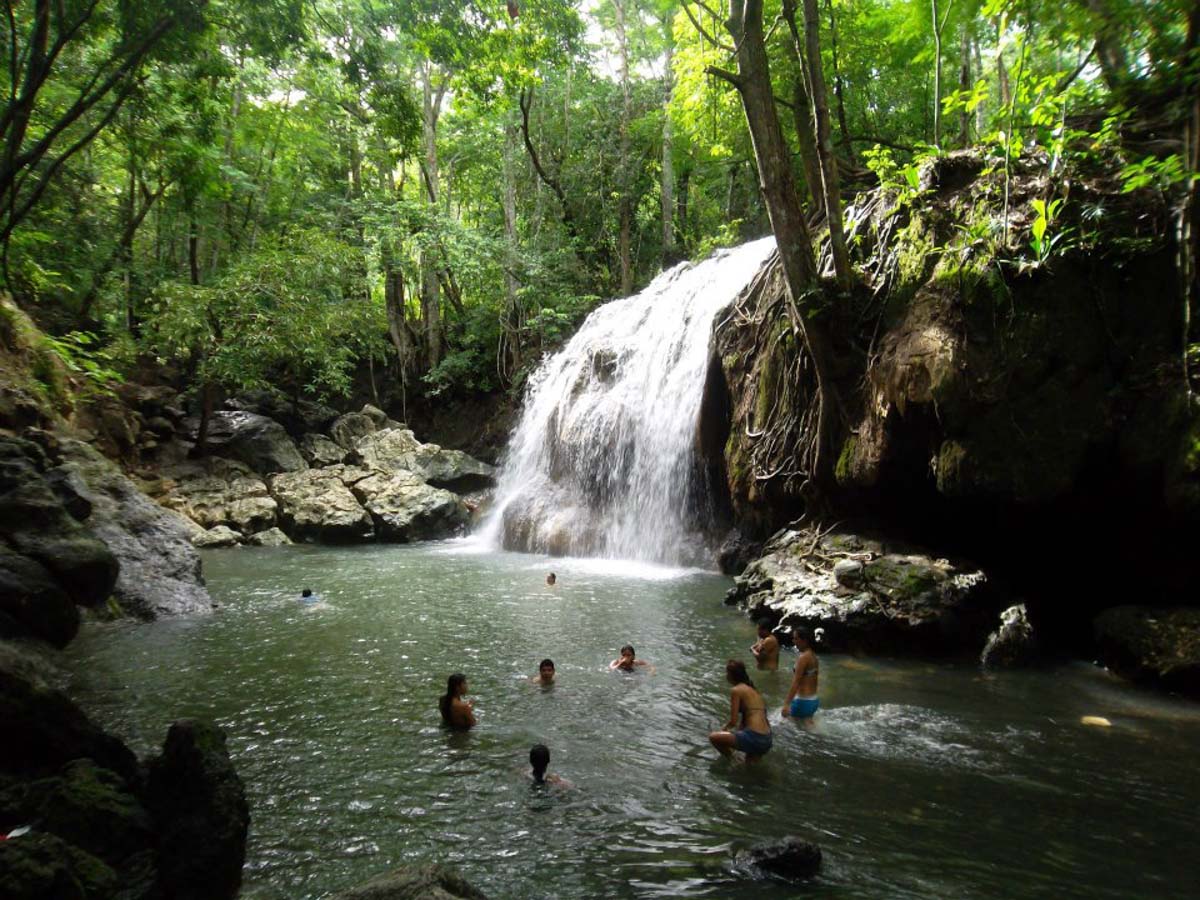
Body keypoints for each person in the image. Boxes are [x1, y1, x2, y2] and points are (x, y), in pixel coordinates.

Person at [709, 659, 773, 762]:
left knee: (713, 737)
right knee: (749, 768)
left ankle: (734, 760)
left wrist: (723, 729)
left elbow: (733, 721)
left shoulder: (736, 690)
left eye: (727, 672)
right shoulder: (754, 691)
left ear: (731, 675)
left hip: (755, 737)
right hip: (767, 739)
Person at [782, 626, 820, 721]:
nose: (793, 641)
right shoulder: (813, 656)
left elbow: (796, 682)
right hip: (813, 701)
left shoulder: (803, 658)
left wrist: (786, 704)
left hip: (803, 701)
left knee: (783, 724)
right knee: (807, 728)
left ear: (805, 640)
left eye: (796, 639)